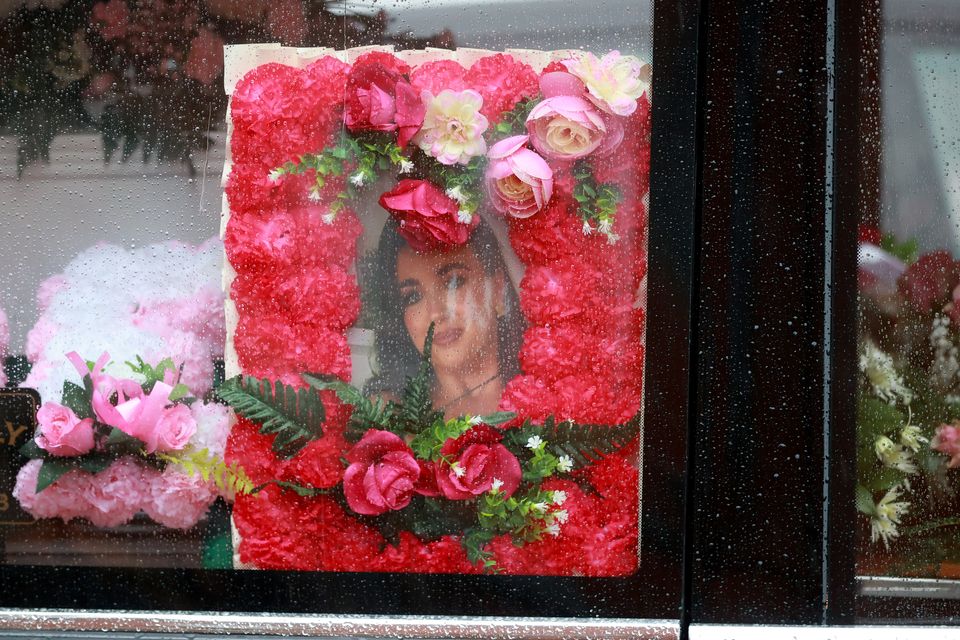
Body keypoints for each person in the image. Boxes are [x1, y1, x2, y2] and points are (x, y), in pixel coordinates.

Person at [362, 217, 524, 419]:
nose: (435, 313)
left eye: (453, 283)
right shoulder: (386, 416)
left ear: (498, 289)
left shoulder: (548, 399)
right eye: (413, 296)